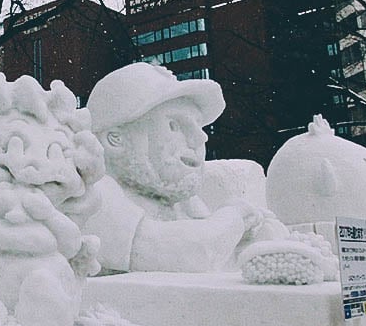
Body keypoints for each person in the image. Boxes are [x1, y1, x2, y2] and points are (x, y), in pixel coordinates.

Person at [82, 63, 263, 272]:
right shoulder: (93, 196)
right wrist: (235, 217)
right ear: (116, 139)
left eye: (199, 125)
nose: (200, 137)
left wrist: (252, 235)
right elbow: (185, 254)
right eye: (174, 125)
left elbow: (219, 256)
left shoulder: (180, 200)